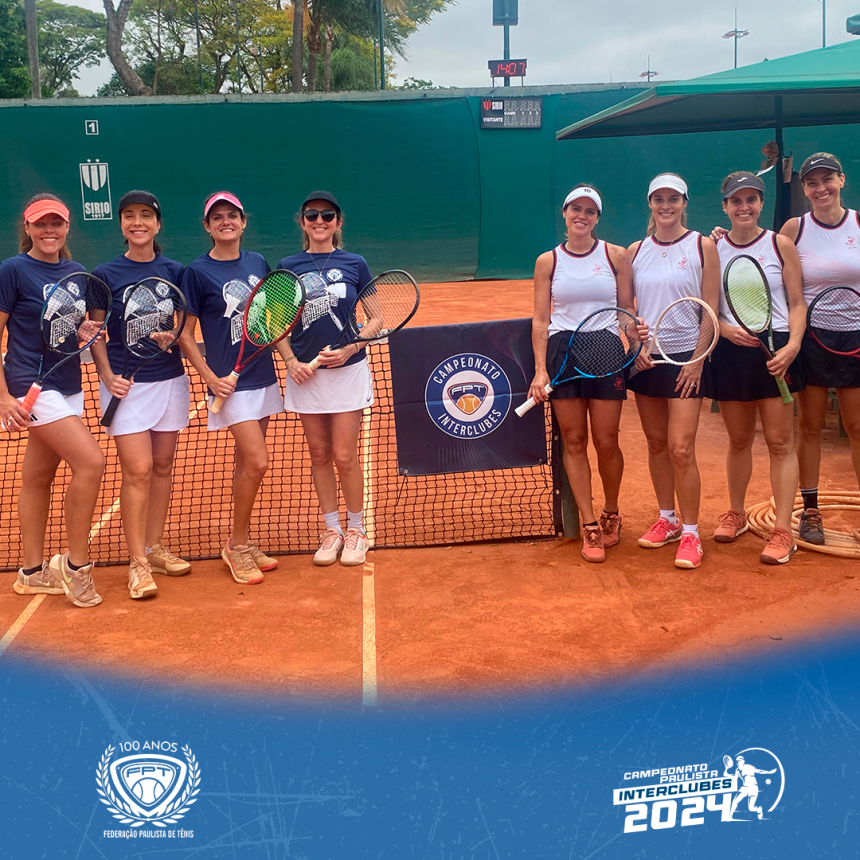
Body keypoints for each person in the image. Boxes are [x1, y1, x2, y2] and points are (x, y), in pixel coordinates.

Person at [0, 194, 105, 607]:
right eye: (40, 224)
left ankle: (31, 572)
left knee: (38, 476)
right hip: (31, 385)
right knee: (91, 463)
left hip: (67, 383)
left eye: (56, 223)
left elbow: (63, 327)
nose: (49, 230)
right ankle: (76, 566)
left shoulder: (76, 273)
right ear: (27, 228)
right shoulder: (13, 270)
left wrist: (82, 332)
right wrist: (3, 396)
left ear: (66, 227)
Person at [527, 185, 641, 562]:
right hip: (563, 350)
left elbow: (625, 310)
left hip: (605, 348)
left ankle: (611, 512)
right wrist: (540, 370)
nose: (582, 215)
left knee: (606, 441)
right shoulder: (548, 261)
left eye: (590, 211)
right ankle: (590, 525)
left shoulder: (615, 255)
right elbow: (541, 320)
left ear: (597, 218)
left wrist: (634, 340)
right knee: (574, 440)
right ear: (565, 213)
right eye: (576, 208)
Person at [178, 192, 284, 584]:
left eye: (232, 215)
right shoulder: (196, 272)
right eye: (217, 217)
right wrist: (209, 378)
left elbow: (273, 320)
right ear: (207, 226)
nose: (226, 222)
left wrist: (289, 360)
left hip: (262, 377)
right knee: (258, 461)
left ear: (244, 222)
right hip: (228, 384)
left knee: (245, 464)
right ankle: (237, 545)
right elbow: (185, 335)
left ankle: (242, 539)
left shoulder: (258, 262)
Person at [90, 191, 191, 600]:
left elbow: (183, 326)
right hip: (125, 386)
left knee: (163, 466)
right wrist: (106, 375)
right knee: (138, 470)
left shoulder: (175, 271)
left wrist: (172, 335)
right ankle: (137, 563)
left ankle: (154, 547)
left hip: (169, 380)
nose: (138, 222)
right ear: (121, 224)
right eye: (129, 215)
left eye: (146, 215)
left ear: (157, 223)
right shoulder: (105, 274)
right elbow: (95, 331)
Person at [710, 172, 806, 564]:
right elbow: (707, 307)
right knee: (738, 440)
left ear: (761, 204)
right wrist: (724, 329)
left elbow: (797, 302)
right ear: (725, 207)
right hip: (732, 351)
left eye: (751, 200)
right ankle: (737, 513)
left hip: (777, 347)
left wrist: (793, 346)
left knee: (780, 442)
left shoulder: (780, 245)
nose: (744, 207)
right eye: (736, 200)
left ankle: (783, 530)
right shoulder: (713, 249)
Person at [628, 174, 721, 569]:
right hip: (647, 359)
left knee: (681, 448)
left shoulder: (702, 246)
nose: (665, 206)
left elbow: (710, 309)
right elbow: (627, 309)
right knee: (656, 443)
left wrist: (697, 360)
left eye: (673, 199)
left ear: (684, 203)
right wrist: (635, 345)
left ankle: (692, 533)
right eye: (659, 199)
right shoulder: (635, 251)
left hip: (687, 358)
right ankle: (667, 520)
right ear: (650, 204)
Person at [278, 191, 375, 567]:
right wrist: (291, 362)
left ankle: (357, 530)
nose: (320, 221)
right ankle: (332, 529)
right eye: (312, 215)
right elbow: (276, 325)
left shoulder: (355, 263)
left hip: (348, 372)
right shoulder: (288, 266)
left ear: (338, 222)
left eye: (327, 215)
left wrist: (350, 348)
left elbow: (377, 319)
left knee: (344, 455)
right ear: (302, 222)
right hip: (307, 376)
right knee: (319, 453)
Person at [780, 152, 860, 545]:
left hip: (855, 338)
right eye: (812, 182)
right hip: (811, 338)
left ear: (841, 180)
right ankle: (811, 511)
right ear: (804, 189)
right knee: (809, 426)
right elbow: (761, 256)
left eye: (828, 179)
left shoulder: (859, 223)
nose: (820, 188)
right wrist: (720, 240)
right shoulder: (794, 229)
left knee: (857, 427)